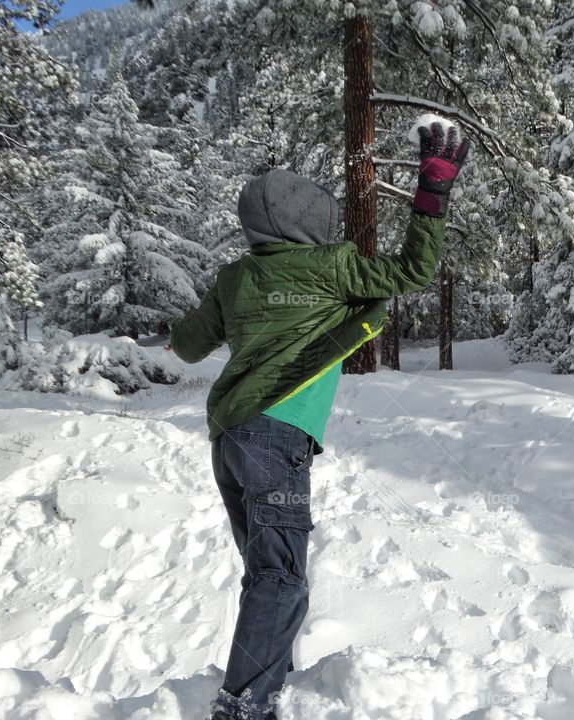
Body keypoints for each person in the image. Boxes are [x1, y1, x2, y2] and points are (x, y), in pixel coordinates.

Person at [169, 124, 470, 720]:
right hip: (276, 437)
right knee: (279, 579)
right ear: (310, 222)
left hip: (228, 440)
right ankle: (244, 707)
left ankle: (262, 689)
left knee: (267, 574)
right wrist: (432, 195)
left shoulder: (234, 279)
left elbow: (185, 346)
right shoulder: (334, 267)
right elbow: (413, 272)